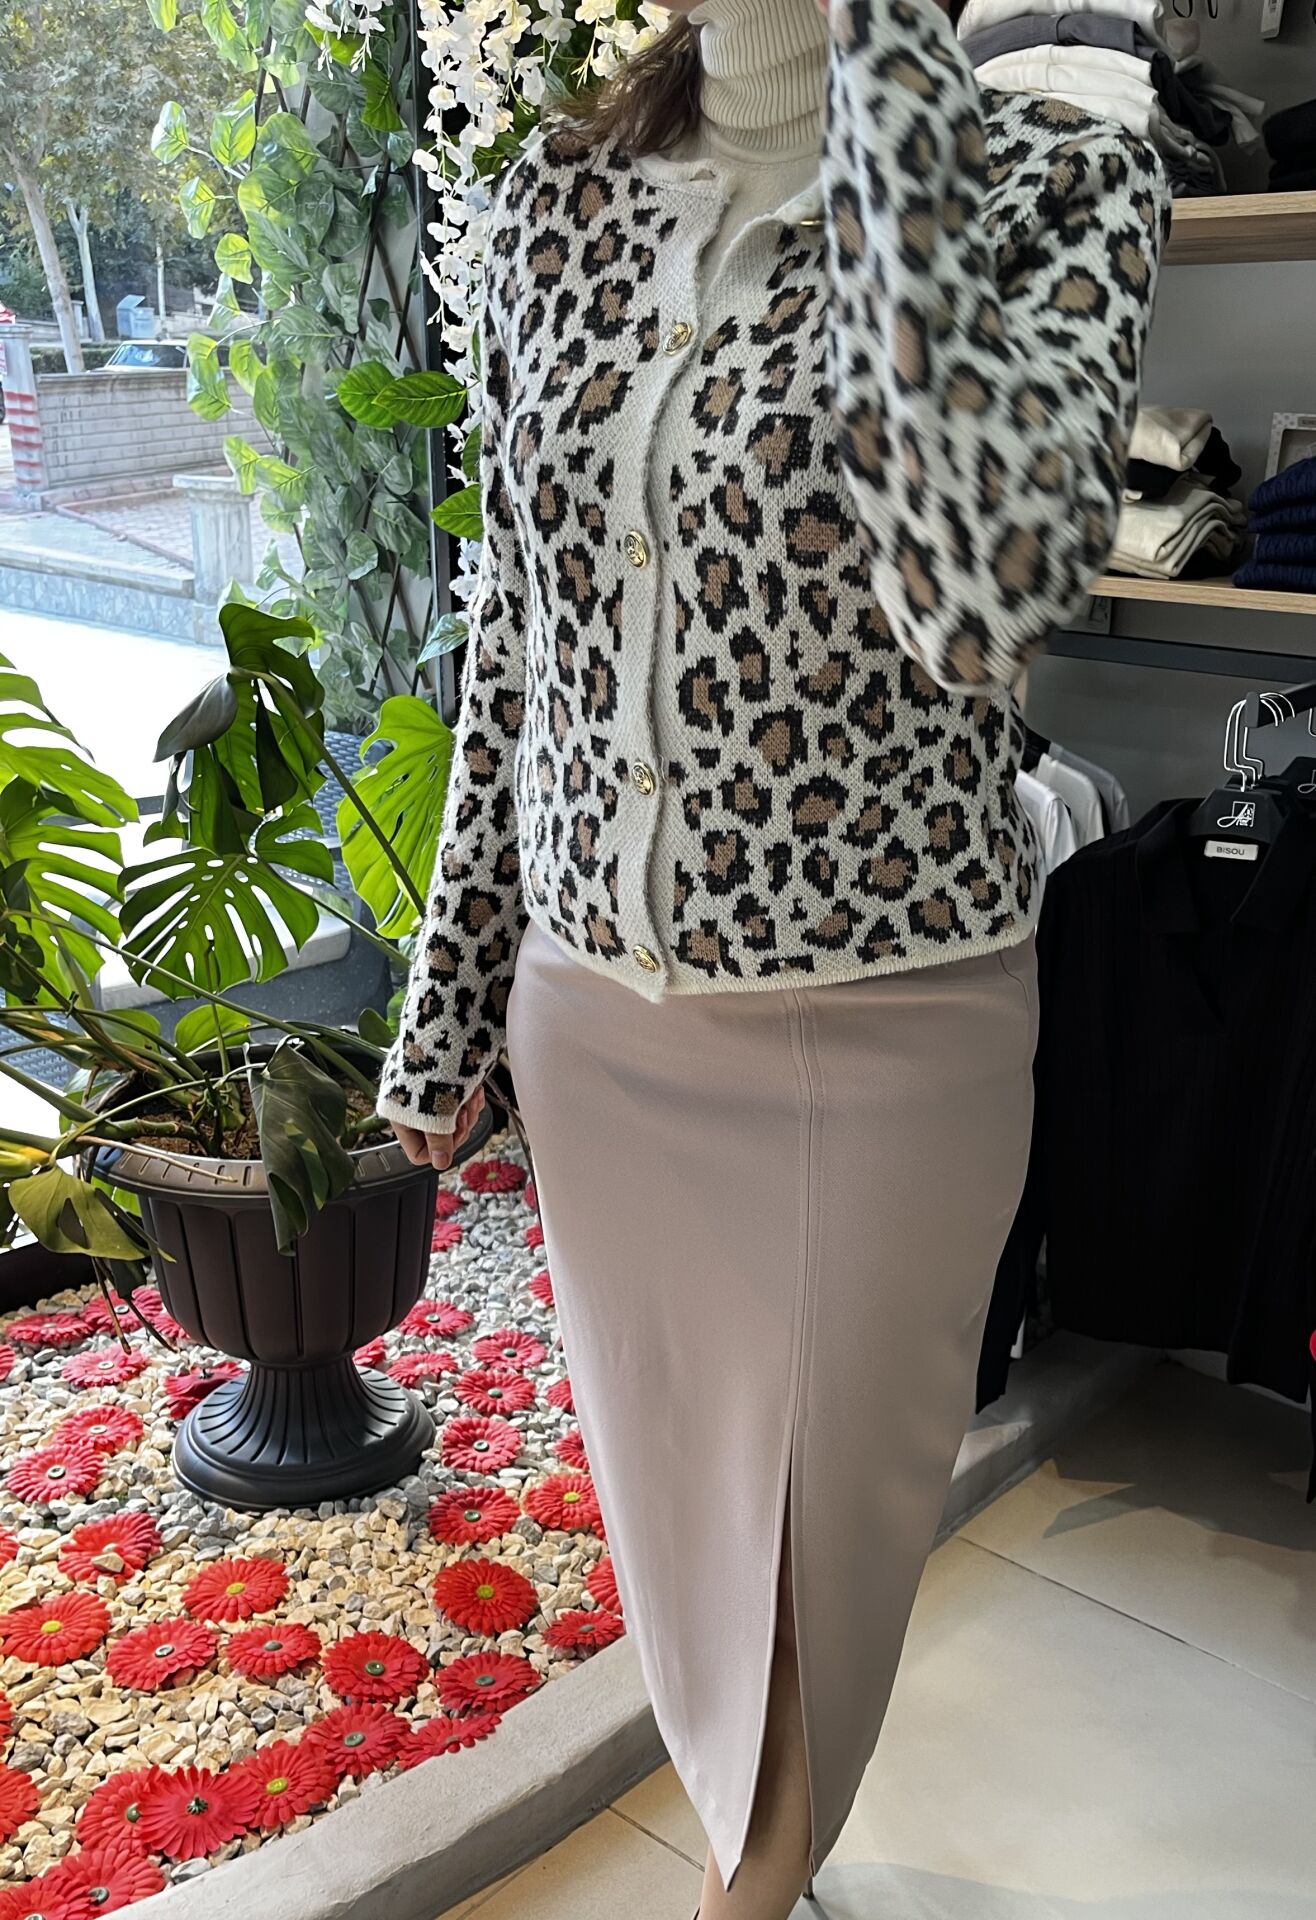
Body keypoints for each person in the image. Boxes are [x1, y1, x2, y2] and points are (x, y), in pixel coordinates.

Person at [377, 0, 1172, 1910]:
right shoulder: (549, 198)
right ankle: (763, 1864)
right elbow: (526, 636)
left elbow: (980, 593)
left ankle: (739, 1889)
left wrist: (891, 75)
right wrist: (451, 991)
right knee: (688, 1544)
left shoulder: (1052, 167)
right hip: (599, 1028)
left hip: (883, 1024)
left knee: (823, 1560)